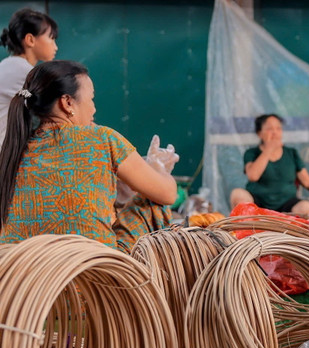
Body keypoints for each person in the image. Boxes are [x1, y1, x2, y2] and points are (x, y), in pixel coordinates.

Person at [0, 61, 178, 250]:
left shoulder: (12, 151)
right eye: (91, 99)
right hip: (94, 273)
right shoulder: (103, 139)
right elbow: (168, 195)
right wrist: (158, 168)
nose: (94, 109)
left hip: (21, 271)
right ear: (67, 103)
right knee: (153, 203)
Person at [229, 113, 309, 216]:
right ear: (259, 133)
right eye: (269, 129)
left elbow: (308, 182)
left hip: (287, 207)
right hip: (258, 206)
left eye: (278, 128)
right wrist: (268, 150)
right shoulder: (252, 153)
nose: (275, 133)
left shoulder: (291, 153)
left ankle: (286, 230)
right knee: (237, 194)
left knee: (305, 206)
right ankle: (250, 229)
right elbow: (253, 175)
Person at [0, 8, 59, 145]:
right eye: (51, 38)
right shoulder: (22, 71)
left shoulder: (9, 64)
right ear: (30, 40)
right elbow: (58, 111)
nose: (55, 46)